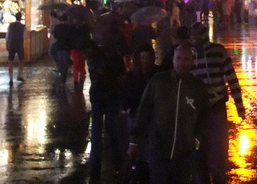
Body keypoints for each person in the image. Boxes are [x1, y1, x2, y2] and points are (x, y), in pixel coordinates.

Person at [130, 44, 210, 184]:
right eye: (178, 58)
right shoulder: (158, 81)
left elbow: (204, 116)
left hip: (184, 153)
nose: (181, 63)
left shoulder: (198, 87)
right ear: (173, 59)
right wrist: (134, 141)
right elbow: (144, 110)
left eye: (186, 59)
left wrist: (197, 139)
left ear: (192, 61)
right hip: (158, 150)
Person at [188, 22, 246, 184]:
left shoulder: (217, 52)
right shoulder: (189, 55)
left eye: (196, 35)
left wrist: (239, 106)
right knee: (198, 149)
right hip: (197, 110)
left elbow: (231, 79)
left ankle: (219, 178)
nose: (193, 38)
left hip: (217, 107)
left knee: (219, 149)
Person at [86, 26, 128, 181]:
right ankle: (97, 168)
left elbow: (121, 74)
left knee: (110, 130)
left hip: (110, 96)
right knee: (99, 133)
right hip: (102, 96)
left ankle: (116, 164)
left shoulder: (112, 54)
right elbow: (99, 72)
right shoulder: (96, 54)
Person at [6, 14, 26, 84]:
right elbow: (24, 37)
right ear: (21, 18)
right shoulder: (23, 26)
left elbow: (7, 35)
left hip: (11, 44)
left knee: (11, 61)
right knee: (21, 60)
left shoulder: (10, 25)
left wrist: (7, 44)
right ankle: (19, 75)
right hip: (19, 45)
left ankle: (11, 78)